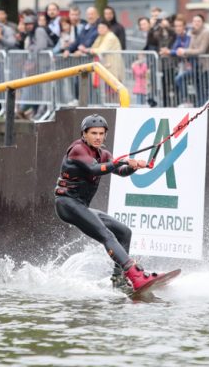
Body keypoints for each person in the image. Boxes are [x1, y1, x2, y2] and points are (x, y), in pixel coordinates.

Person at [54, 114, 161, 291]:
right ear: (84, 134)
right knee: (107, 235)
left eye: (101, 133)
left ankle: (118, 280)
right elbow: (94, 168)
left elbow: (121, 171)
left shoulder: (103, 154)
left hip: (80, 205)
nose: (98, 137)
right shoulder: (77, 149)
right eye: (93, 133)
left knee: (124, 232)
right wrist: (120, 161)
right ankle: (134, 274)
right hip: (66, 204)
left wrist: (133, 166)